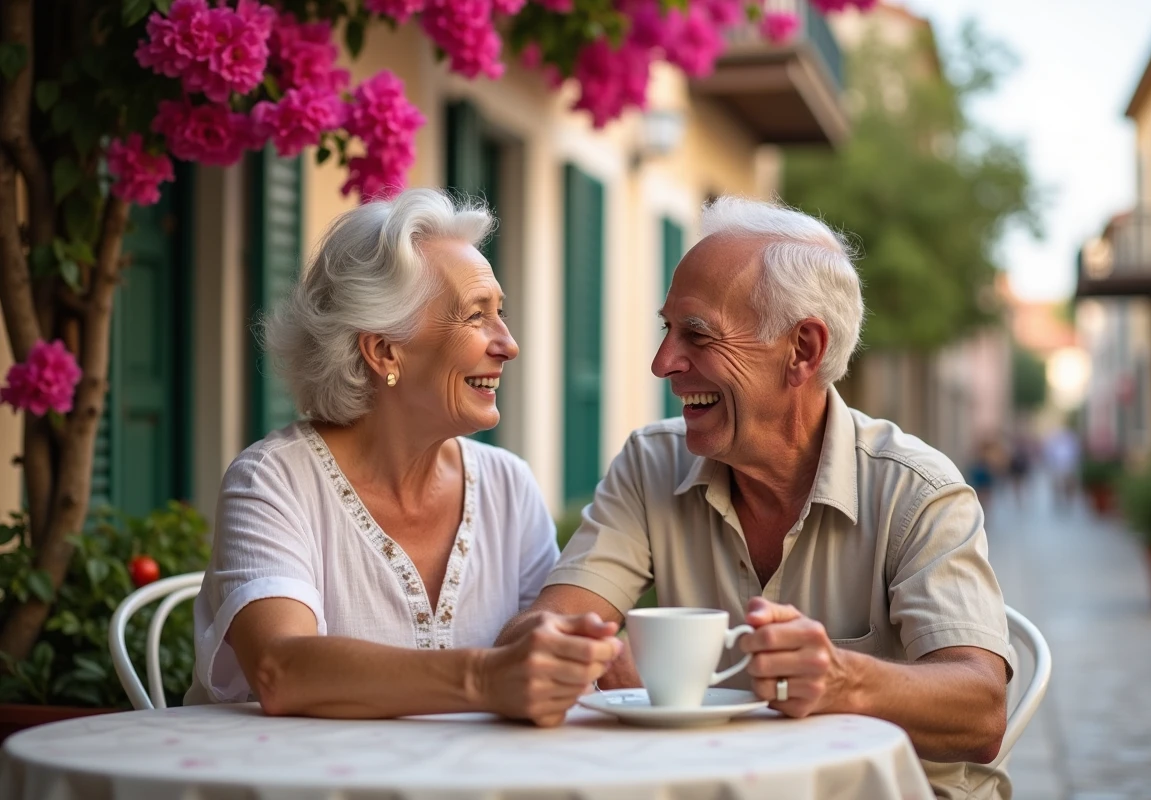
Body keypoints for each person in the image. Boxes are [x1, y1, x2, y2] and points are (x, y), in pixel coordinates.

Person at [499, 197, 1013, 799]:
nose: (663, 363)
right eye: (668, 329)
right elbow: (541, 628)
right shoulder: (650, 465)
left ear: (803, 350)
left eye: (697, 334)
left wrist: (842, 679)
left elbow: (981, 712)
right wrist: (574, 650)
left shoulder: (917, 490)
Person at [186, 189, 621, 725]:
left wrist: (583, 652)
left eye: (500, 313)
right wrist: (484, 678)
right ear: (384, 350)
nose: (508, 344)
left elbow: (545, 647)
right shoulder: (273, 481)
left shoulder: (509, 485)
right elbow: (281, 669)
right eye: (475, 316)